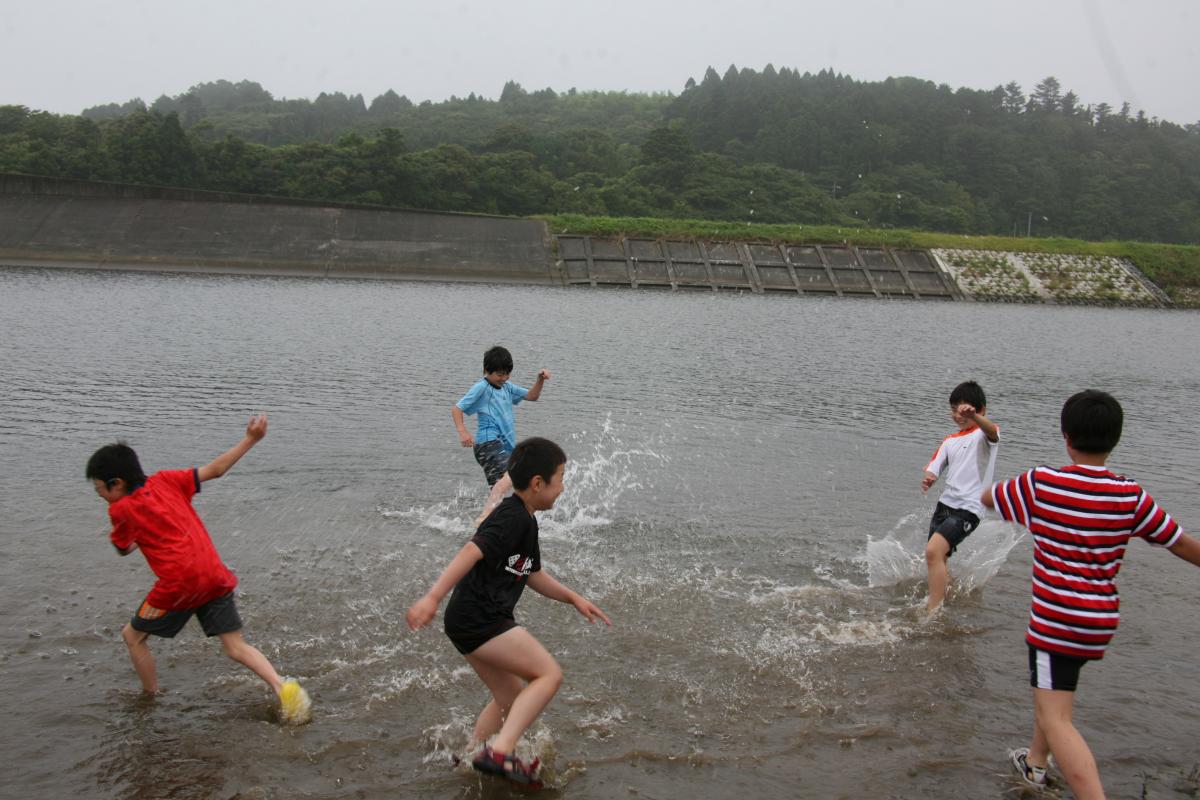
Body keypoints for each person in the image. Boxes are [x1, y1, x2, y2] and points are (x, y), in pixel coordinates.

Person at [984, 390, 1200, 799]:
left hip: (1056, 622)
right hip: (1097, 622)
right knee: (1054, 696)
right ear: (1115, 440)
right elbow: (1180, 543)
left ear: (1065, 435)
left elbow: (989, 498)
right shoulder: (1130, 494)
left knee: (1056, 719)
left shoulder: (1042, 482)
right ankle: (1034, 766)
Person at [406, 437, 610, 788]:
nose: (563, 487)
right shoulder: (512, 517)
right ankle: (500, 752)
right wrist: (432, 597)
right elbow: (471, 550)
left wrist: (574, 598)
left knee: (509, 697)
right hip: (480, 618)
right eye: (560, 479)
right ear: (537, 484)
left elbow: (531, 574)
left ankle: (473, 756)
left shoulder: (525, 519)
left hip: (468, 618)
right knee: (548, 675)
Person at [86, 415, 310, 724]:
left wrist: (138, 537)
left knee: (132, 637)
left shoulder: (120, 509)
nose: (99, 494)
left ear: (117, 484)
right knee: (235, 646)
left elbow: (123, 548)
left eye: (99, 489)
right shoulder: (166, 479)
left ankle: (151, 699)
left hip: (180, 584)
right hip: (214, 573)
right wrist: (251, 439)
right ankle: (284, 688)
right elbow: (216, 470)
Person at [920, 380, 1000, 613]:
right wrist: (930, 479)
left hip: (969, 508)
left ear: (980, 409)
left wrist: (975, 417)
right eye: (954, 410)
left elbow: (992, 432)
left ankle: (932, 612)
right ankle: (952, 593)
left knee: (932, 552)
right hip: (945, 506)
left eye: (963, 410)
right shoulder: (950, 441)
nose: (958, 415)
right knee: (939, 558)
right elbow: (936, 467)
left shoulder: (983, 436)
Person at [453, 345, 550, 528]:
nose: (503, 378)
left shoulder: (506, 387)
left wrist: (540, 380)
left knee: (504, 491)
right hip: (488, 444)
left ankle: (495, 525)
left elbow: (532, 396)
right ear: (486, 371)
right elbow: (457, 409)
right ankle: (482, 519)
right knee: (514, 474)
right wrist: (462, 431)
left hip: (504, 447)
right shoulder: (481, 388)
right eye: (499, 374)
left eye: (507, 374)